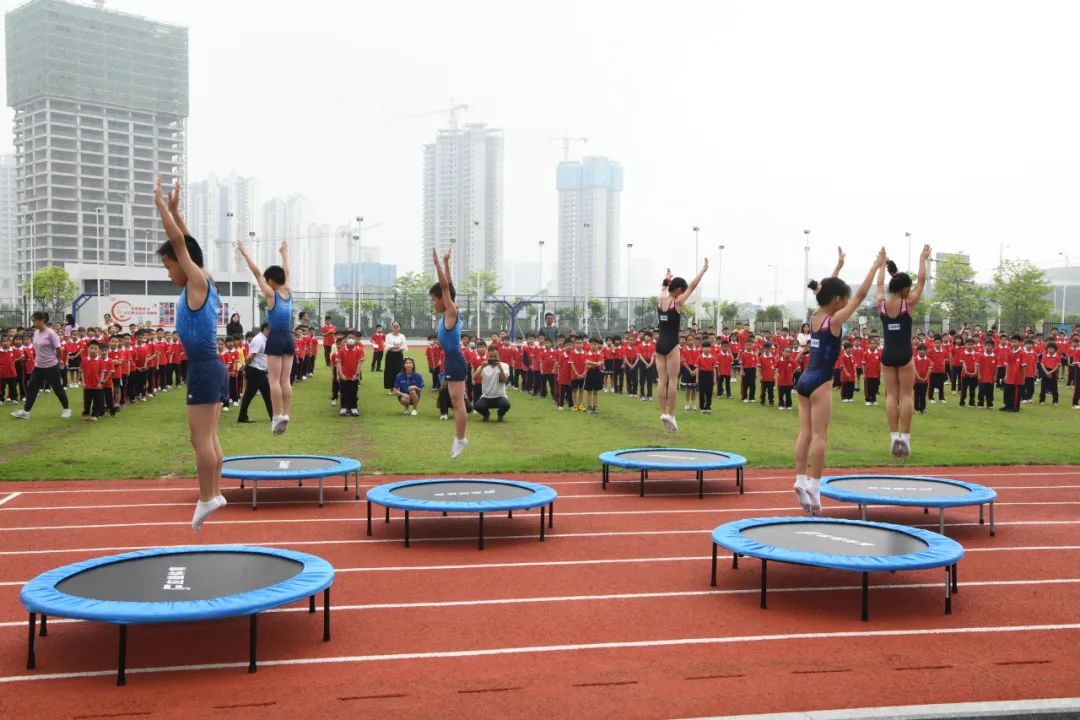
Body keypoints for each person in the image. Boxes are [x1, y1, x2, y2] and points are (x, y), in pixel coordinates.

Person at [154, 177, 228, 532]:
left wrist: (163, 209)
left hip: (204, 367)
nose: (169, 272)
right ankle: (213, 493)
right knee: (209, 436)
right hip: (210, 367)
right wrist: (177, 212)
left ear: (184, 264)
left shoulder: (197, 283)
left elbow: (184, 245)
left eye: (169, 266)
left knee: (200, 438)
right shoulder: (205, 279)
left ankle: (206, 497)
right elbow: (190, 246)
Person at [793, 247, 886, 515]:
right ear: (836, 301)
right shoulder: (835, 320)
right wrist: (875, 266)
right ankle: (814, 485)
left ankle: (800, 479)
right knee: (821, 435)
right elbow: (859, 295)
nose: (847, 303)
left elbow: (823, 292)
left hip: (804, 380)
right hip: (821, 380)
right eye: (842, 300)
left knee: (805, 433)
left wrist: (838, 267)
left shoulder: (815, 316)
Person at [877, 245, 930, 457]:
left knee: (891, 395)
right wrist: (922, 258)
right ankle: (905, 439)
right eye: (907, 287)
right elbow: (922, 281)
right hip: (905, 356)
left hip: (888, 355)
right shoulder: (907, 304)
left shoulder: (881, 304)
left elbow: (879, 284)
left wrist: (881, 265)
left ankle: (893, 438)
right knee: (907, 395)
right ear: (904, 288)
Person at [238, 237, 294, 435]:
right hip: (289, 338)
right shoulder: (289, 292)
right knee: (286, 381)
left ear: (271, 281)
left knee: (274, 381)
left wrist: (245, 253)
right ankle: (286, 413)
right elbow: (287, 272)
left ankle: (277, 416)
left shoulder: (272, 295)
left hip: (276, 338)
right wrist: (284, 253)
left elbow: (256, 273)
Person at [654, 261, 708, 432]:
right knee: (673, 380)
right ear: (678, 290)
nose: (683, 294)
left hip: (659, 344)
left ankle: (663, 412)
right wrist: (703, 271)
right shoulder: (676, 303)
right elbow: (692, 286)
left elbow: (664, 286)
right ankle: (671, 414)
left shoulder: (660, 299)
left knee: (661, 380)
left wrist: (667, 277)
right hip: (672, 345)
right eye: (682, 292)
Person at [430, 247, 470, 457]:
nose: (433, 303)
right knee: (456, 401)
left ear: (442, 299)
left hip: (455, 360)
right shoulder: (449, 312)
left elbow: (446, 287)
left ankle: (461, 439)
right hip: (452, 359)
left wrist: (437, 263)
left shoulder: (451, 312)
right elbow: (450, 287)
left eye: (434, 299)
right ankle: (460, 438)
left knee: (457, 402)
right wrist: (447, 263)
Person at [10, 312, 72, 420]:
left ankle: (66, 409)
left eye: (34, 320)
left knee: (58, 389)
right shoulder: (36, 333)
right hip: (39, 366)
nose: (33, 322)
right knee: (32, 389)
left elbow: (58, 349)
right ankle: (26, 412)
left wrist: (58, 361)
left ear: (41, 320)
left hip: (51, 366)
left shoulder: (51, 333)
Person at [237, 323, 273, 424]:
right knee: (262, 393)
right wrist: (245, 366)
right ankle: (273, 416)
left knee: (253, 394)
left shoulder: (263, 339)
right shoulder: (258, 340)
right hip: (255, 370)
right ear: (266, 329)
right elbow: (251, 356)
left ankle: (242, 416)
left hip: (258, 370)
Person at [473, 345, 511, 421]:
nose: (493, 358)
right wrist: (481, 367)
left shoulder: (504, 366)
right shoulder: (483, 366)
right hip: (486, 397)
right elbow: (474, 377)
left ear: (499, 356)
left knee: (506, 404)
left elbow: (504, 380)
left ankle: (500, 414)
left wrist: (500, 369)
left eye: (495, 356)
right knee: (477, 406)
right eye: (491, 357)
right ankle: (486, 414)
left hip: (500, 396)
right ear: (487, 356)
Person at [335, 331, 365, 417]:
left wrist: (357, 374)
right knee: (344, 392)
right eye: (349, 338)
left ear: (355, 340)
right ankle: (343, 407)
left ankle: (353, 407)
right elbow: (338, 363)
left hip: (353, 376)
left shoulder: (359, 350)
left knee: (353, 392)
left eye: (353, 338)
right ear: (346, 339)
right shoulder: (342, 350)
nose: (351, 339)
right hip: (344, 376)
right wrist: (341, 374)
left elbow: (360, 363)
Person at [382, 322, 408, 394]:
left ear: (399, 327)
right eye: (394, 326)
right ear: (392, 327)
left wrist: (397, 349)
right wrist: (393, 347)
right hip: (390, 355)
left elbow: (404, 346)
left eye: (397, 326)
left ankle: (398, 388)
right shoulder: (388, 336)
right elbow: (387, 345)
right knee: (390, 371)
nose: (396, 328)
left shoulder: (402, 336)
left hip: (399, 355)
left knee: (399, 370)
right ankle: (391, 388)